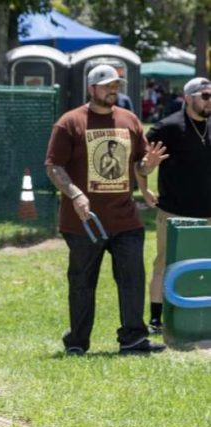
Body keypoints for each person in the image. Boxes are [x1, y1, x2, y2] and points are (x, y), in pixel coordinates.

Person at [45, 64, 168, 355]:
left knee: (132, 280)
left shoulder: (129, 120)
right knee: (82, 283)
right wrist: (75, 194)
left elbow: (138, 164)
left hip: (125, 218)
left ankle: (133, 339)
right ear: (92, 88)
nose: (113, 90)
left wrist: (147, 167)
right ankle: (77, 342)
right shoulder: (70, 122)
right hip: (84, 221)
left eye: (116, 85)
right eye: (106, 85)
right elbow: (53, 166)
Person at [137, 77, 211, 333]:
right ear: (188, 98)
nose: (209, 100)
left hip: (208, 212)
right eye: (205, 96)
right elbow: (141, 162)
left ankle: (202, 313)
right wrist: (145, 187)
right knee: (165, 263)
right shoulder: (168, 127)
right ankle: (156, 319)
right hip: (174, 211)